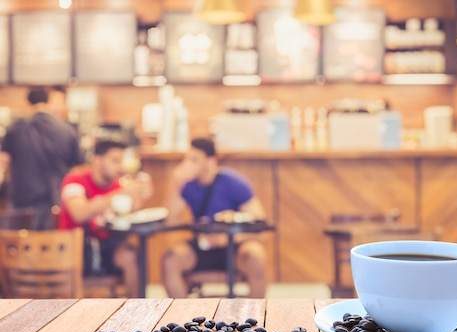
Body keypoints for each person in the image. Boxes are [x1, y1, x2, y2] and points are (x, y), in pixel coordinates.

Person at [161, 137, 267, 298]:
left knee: (256, 256)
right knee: (170, 260)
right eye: (187, 159)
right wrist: (176, 183)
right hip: (202, 247)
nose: (188, 164)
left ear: (211, 161)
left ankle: (257, 315)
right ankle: (182, 318)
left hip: (235, 247)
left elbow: (261, 225)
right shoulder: (187, 185)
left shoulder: (234, 182)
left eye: (194, 160)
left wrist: (228, 239)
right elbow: (170, 220)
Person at [58, 140, 151, 298]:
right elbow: (79, 213)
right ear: (97, 160)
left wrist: (140, 196)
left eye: (121, 161)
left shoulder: (117, 186)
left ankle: (139, 310)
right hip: (77, 253)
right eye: (115, 161)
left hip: (106, 250)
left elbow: (129, 215)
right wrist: (121, 195)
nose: (120, 167)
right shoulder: (75, 181)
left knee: (133, 256)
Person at [0, 87, 83, 229]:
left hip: (22, 201)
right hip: (55, 201)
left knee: (21, 246)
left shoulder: (15, 128)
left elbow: (4, 161)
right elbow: (78, 169)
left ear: (27, 104)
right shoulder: (66, 129)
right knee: (49, 246)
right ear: (48, 102)